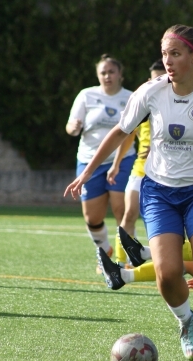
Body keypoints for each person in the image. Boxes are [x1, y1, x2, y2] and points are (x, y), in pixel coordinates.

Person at [65, 24, 193, 361]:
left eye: (176, 54)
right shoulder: (150, 92)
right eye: (165, 53)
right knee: (168, 274)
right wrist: (87, 172)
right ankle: (186, 321)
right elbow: (118, 132)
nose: (168, 61)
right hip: (159, 192)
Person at [66, 54, 137, 273]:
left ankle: (125, 257)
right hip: (90, 162)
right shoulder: (86, 95)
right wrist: (74, 127)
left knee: (120, 209)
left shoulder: (131, 97)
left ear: (120, 75)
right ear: (98, 75)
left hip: (123, 160)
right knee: (92, 217)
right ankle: (104, 250)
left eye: (111, 72)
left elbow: (136, 131)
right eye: (103, 72)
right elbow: (70, 127)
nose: (107, 76)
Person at [107, 59, 166, 265]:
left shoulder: (178, 102)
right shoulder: (144, 101)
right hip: (141, 169)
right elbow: (127, 135)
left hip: (168, 171)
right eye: (155, 79)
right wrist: (116, 164)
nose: (159, 82)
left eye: (163, 77)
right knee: (129, 214)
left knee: (166, 222)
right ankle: (121, 263)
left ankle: (167, 260)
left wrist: (160, 147)